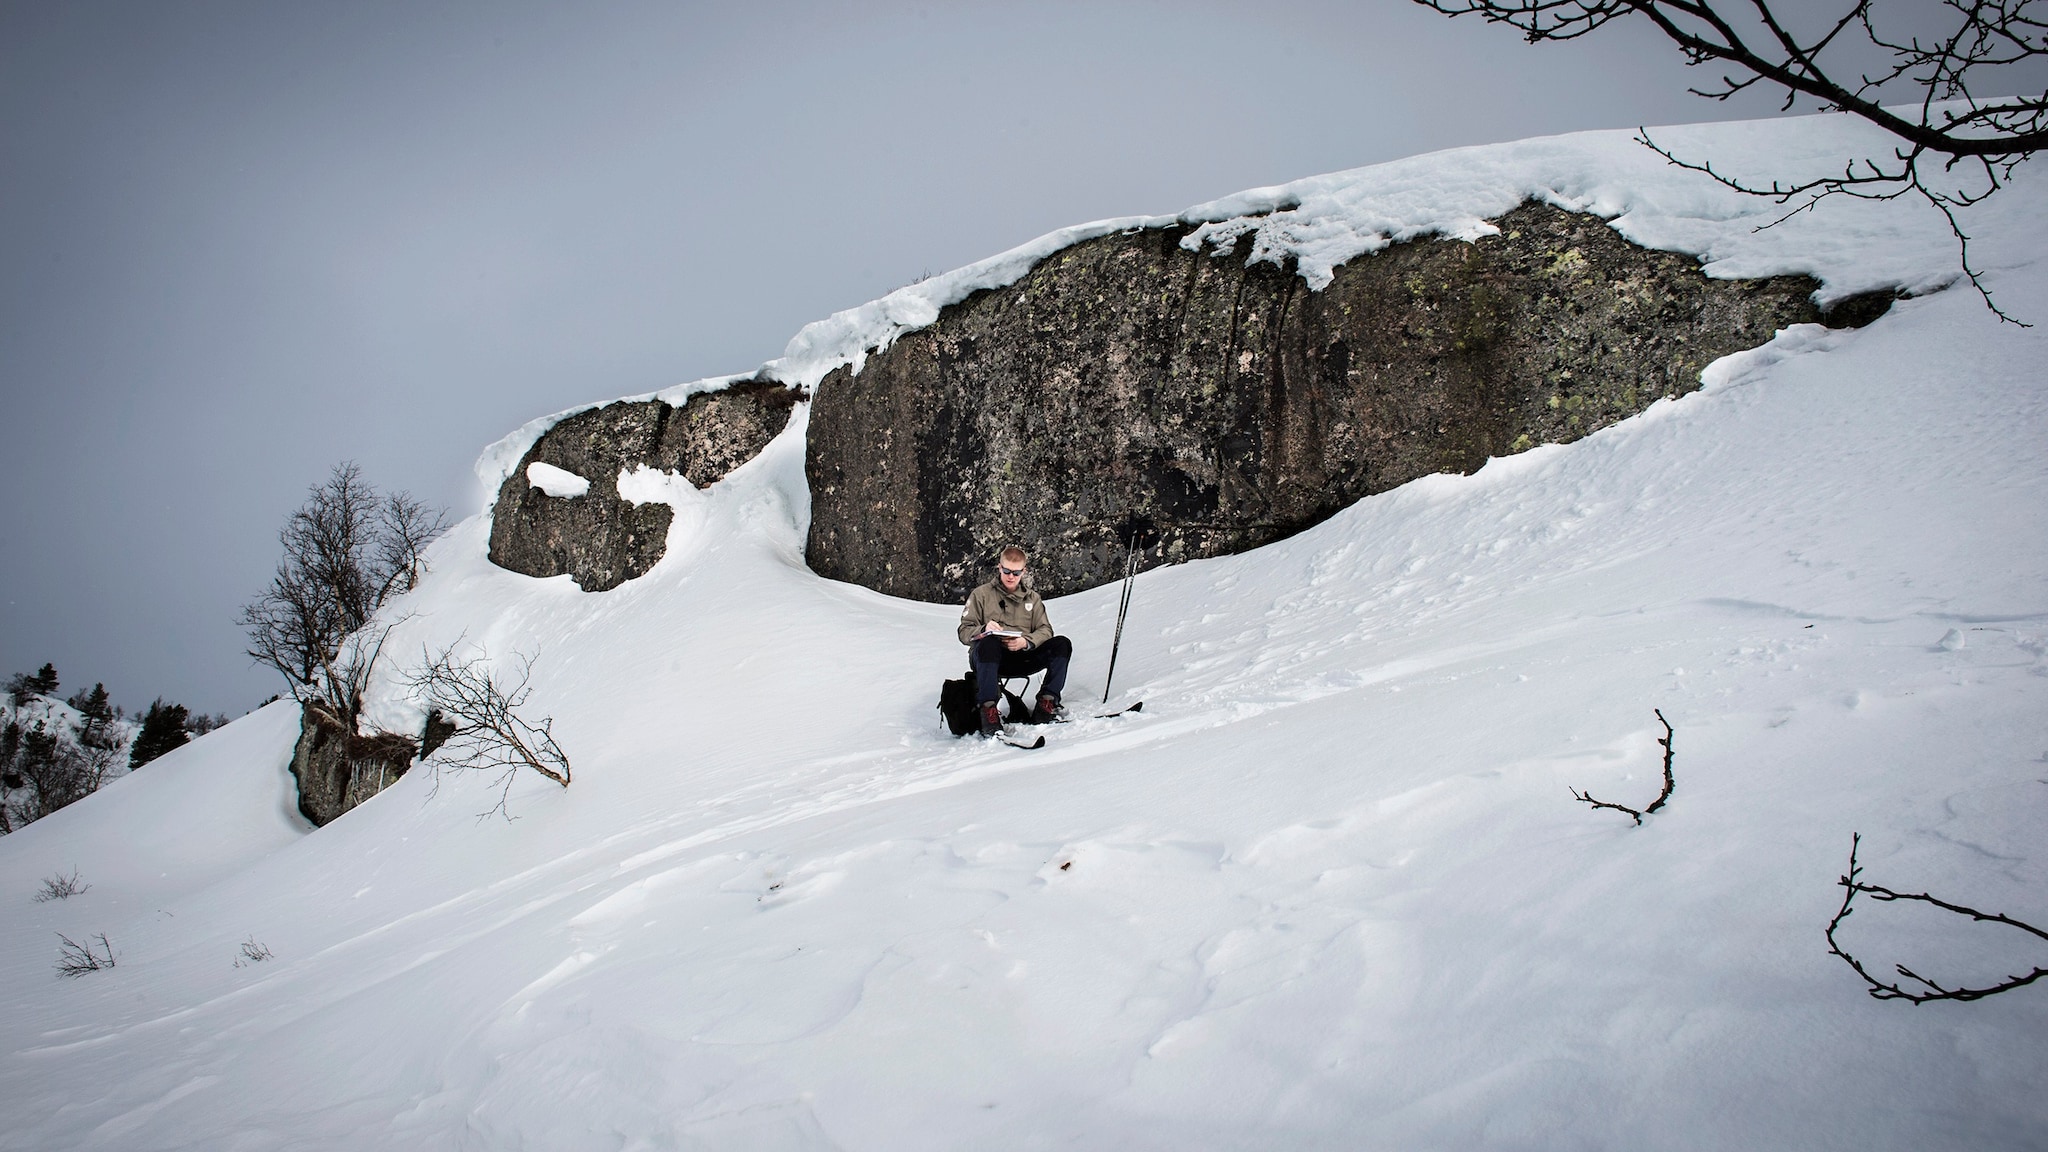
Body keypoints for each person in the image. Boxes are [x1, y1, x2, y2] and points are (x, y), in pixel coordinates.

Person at [957, 544, 1073, 736]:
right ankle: (989, 711)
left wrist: (1026, 642)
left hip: (1023, 656)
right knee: (989, 643)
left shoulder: (1032, 599)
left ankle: (1047, 704)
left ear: (1024, 571)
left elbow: (1045, 630)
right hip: (990, 659)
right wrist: (984, 629)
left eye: (1016, 572)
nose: (1011, 576)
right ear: (999, 568)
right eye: (1007, 571)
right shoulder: (981, 595)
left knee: (1062, 644)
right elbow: (963, 631)